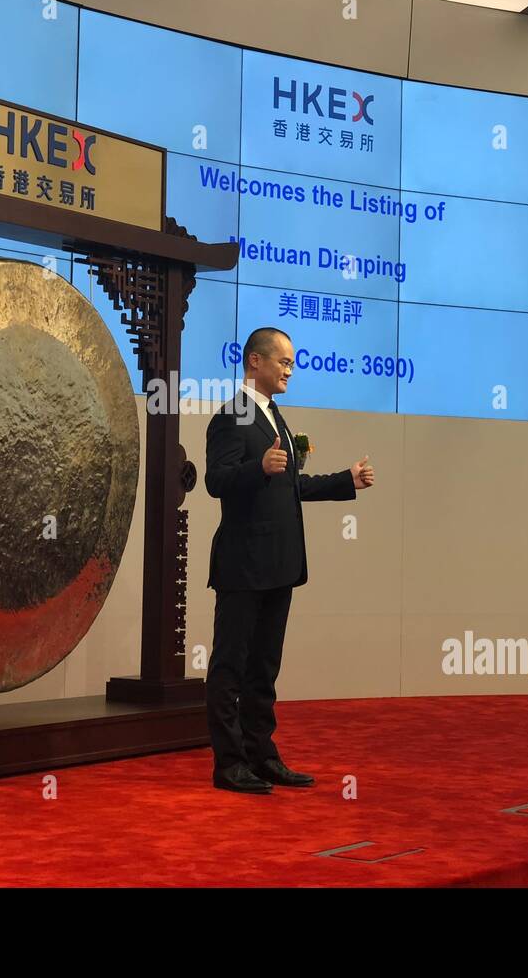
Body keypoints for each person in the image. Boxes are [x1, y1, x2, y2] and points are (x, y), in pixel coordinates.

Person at [204, 327, 375, 793]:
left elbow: (290, 487)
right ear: (254, 362)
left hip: (279, 563)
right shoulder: (232, 417)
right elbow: (215, 480)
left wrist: (346, 481)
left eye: (292, 364)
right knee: (230, 665)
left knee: (265, 667)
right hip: (243, 564)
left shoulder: (273, 416)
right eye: (282, 362)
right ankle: (229, 763)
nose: (289, 371)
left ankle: (262, 755)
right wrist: (255, 468)